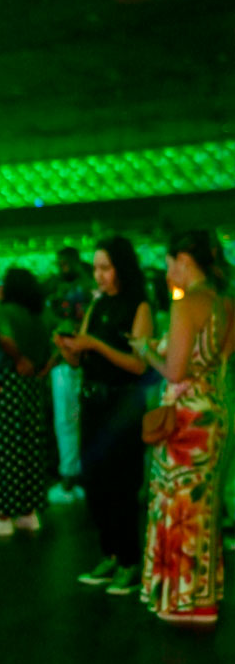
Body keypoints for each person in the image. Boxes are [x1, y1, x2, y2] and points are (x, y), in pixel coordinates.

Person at [131, 231, 234, 623]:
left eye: (169, 263)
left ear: (185, 261)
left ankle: (179, 599)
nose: (167, 271)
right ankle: (203, 596)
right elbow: (218, 359)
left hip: (185, 416)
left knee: (175, 503)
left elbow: (174, 371)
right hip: (214, 410)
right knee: (204, 505)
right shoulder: (225, 303)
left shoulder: (186, 305)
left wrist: (146, 351)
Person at [56, 236, 153, 595]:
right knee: (95, 482)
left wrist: (96, 344)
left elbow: (139, 364)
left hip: (122, 403)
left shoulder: (138, 305)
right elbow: (80, 359)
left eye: (105, 268)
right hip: (93, 402)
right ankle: (110, 554)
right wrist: (69, 349)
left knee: (122, 484)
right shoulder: (96, 306)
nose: (98, 275)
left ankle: (129, 561)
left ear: (121, 268)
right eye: (95, 268)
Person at [0, 268, 51, 536]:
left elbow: (5, 337)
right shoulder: (38, 316)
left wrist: (18, 358)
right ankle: (28, 512)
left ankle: (2, 515)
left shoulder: (3, 312)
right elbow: (50, 348)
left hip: (1, 385)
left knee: (2, 450)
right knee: (29, 448)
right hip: (30, 386)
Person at [45, 246, 92, 504]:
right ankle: (71, 474)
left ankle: (70, 477)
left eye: (65, 263)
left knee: (69, 421)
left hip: (73, 358)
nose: (61, 267)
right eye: (59, 263)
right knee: (68, 421)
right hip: (65, 357)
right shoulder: (62, 285)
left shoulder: (83, 287)